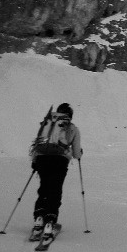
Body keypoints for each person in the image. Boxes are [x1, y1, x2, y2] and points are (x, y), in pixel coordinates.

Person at [29, 102, 83, 238]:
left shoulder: (47, 123)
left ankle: (39, 218)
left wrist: (35, 161)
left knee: (44, 188)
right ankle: (50, 222)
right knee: (55, 190)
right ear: (70, 115)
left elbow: (39, 141)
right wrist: (79, 153)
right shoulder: (71, 128)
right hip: (59, 160)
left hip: (41, 158)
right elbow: (76, 153)